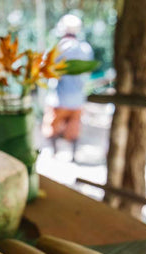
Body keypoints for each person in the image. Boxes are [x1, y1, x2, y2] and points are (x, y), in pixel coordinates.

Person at [42, 14, 94, 162]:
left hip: (59, 99)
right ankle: (73, 156)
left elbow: (48, 71)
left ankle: (54, 154)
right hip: (78, 99)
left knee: (51, 128)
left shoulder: (58, 48)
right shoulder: (85, 49)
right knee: (74, 128)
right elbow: (87, 73)